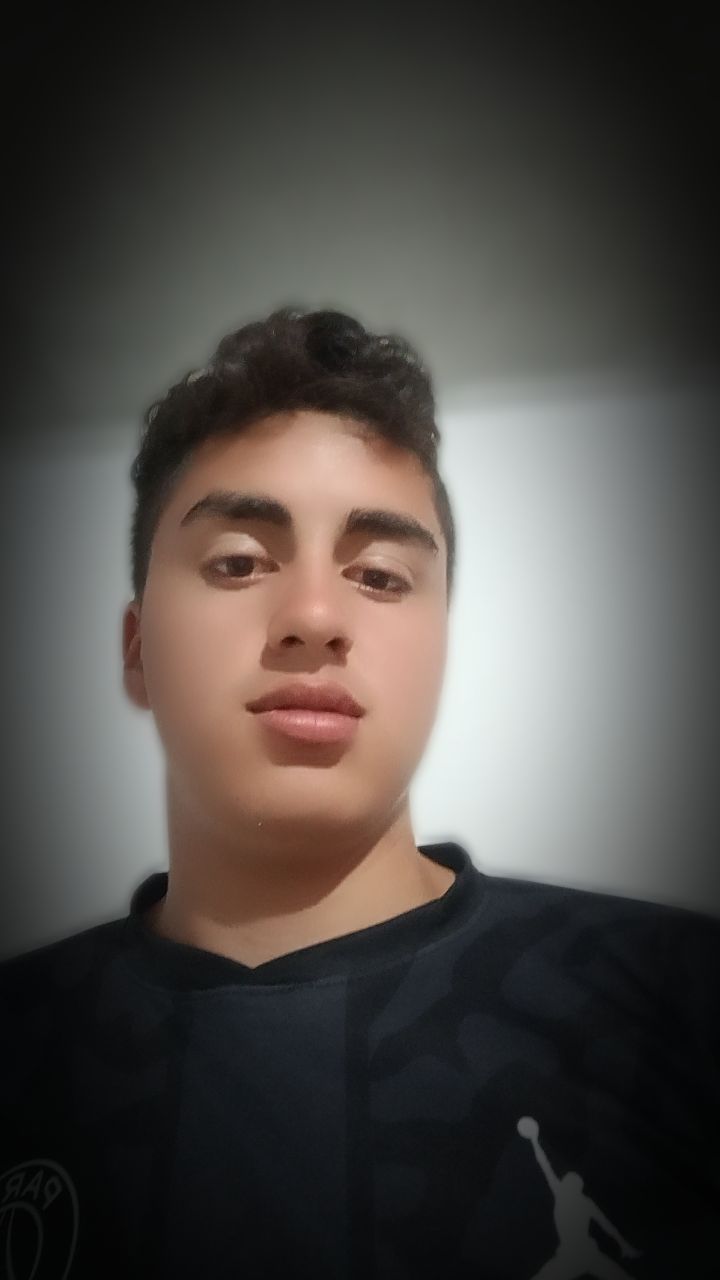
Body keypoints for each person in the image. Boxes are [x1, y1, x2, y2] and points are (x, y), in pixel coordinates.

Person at [0, 307, 717, 1280]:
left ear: (444, 643)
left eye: (379, 575)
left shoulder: (677, 1007)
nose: (313, 614)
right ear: (136, 649)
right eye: (239, 562)